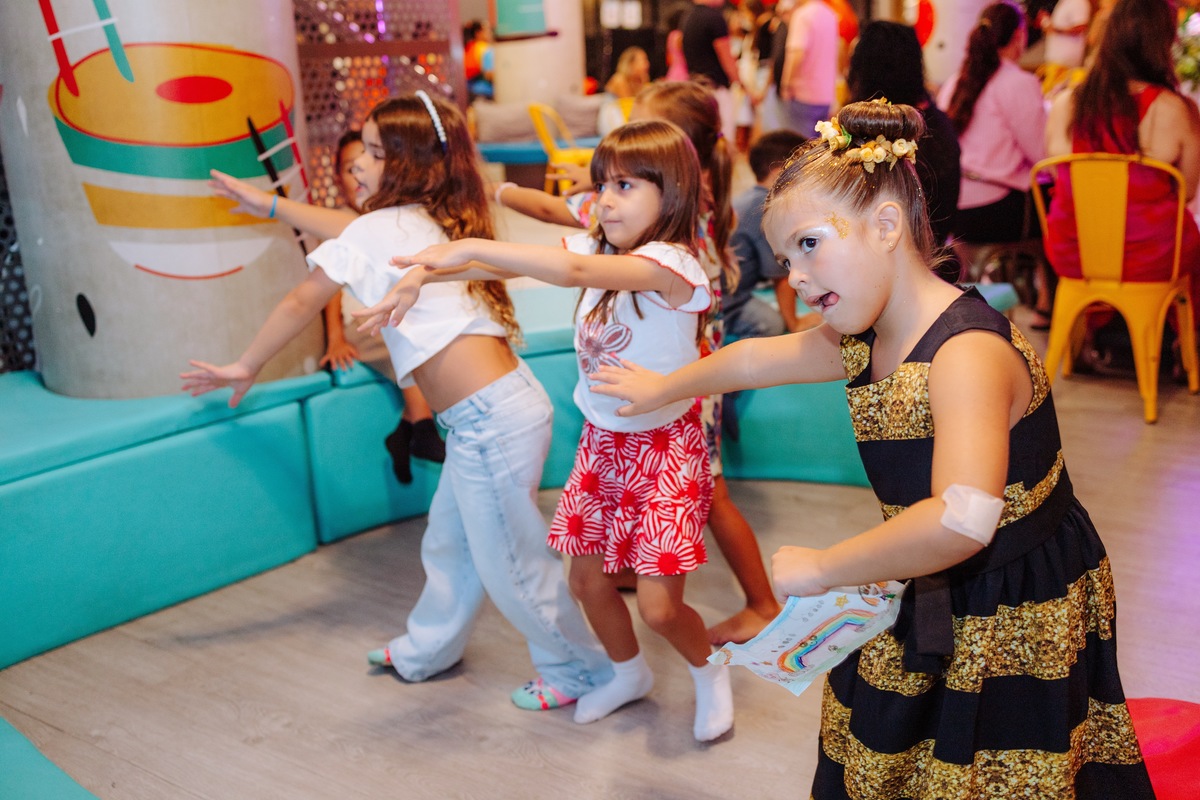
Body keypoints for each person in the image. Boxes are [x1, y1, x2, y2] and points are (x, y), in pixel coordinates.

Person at [589, 99, 1156, 798]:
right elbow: (755, 359)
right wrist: (665, 385)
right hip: (926, 567)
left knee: (991, 765)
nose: (795, 277)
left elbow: (962, 518)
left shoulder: (966, 354)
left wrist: (824, 566)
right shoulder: (869, 334)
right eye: (785, 257)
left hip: (1009, 598)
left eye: (809, 244)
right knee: (892, 746)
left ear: (886, 226)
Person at [185, 92, 612, 711]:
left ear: (411, 165)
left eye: (375, 153)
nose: (359, 163)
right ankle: (427, 649)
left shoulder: (392, 226)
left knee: (512, 563)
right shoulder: (434, 218)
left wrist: (245, 364)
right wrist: (269, 204)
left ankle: (582, 670)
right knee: (451, 542)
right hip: (494, 413)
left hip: (492, 419)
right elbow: (340, 230)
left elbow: (305, 296)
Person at [361, 119, 735, 742]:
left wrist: (465, 247)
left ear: (670, 191)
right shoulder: (601, 249)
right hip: (603, 444)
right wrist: (423, 275)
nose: (604, 200)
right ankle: (628, 673)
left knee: (659, 606)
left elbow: (573, 272)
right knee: (585, 581)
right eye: (601, 185)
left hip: (665, 452)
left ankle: (709, 669)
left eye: (624, 186)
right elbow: (529, 267)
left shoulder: (674, 264)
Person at [496, 80, 784, 647]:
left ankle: (761, 602)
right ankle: (643, 563)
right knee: (678, 486)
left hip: (683, 380)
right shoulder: (697, 201)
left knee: (710, 493)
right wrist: (602, 185)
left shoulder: (671, 229)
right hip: (684, 366)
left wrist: (507, 193)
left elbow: (563, 221)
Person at [209, 131, 444, 485]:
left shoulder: (404, 218)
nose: (359, 171)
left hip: (403, 321)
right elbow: (315, 295)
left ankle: (409, 428)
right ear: (337, 178)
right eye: (351, 167)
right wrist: (334, 338)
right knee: (392, 325)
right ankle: (420, 424)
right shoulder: (348, 224)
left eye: (373, 157)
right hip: (367, 321)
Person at [1043, 0, 1200, 368]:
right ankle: (1184, 347)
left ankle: (1086, 335)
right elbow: (1189, 191)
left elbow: (1055, 174)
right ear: (1162, 42)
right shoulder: (1175, 110)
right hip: (1150, 257)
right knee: (1191, 243)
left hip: (1075, 251)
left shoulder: (1067, 103)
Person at [938, 2, 1050, 319]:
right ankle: (1047, 304)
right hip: (995, 212)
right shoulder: (1018, 82)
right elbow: (1042, 156)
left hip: (954, 209)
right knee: (1059, 209)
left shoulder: (955, 82)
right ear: (1018, 37)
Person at [845, 20, 961, 264]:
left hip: (883, 261)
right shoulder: (936, 125)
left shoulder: (867, 137)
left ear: (862, 69)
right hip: (934, 255)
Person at [727, 129, 812, 337]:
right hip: (730, 302)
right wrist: (794, 323)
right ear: (779, 172)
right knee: (772, 324)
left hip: (731, 290)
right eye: (805, 171)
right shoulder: (765, 207)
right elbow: (780, 276)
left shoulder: (748, 197)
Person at [682, 0, 741, 143]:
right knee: (724, 136)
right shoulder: (714, 18)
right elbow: (726, 58)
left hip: (696, 89)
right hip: (716, 90)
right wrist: (742, 84)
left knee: (702, 138)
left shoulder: (687, 17)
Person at [779, 0, 840, 138]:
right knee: (819, 144)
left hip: (803, 93)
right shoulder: (831, 15)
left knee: (799, 145)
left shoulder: (802, 15)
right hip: (825, 94)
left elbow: (797, 54)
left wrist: (786, 84)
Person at [1039, 0, 1094, 69]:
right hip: (1055, 56)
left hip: (1067, 57)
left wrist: (1055, 30)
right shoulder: (1063, 2)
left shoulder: (1078, 2)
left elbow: (1080, 27)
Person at [463, 20, 494, 101]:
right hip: (481, 87)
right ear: (478, 33)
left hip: (469, 87)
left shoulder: (469, 46)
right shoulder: (482, 48)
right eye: (486, 30)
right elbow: (488, 74)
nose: (490, 32)